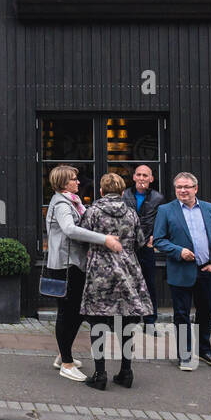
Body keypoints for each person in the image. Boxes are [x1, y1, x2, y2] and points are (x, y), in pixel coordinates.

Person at [45, 164, 122, 382]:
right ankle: (66, 363)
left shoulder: (73, 202)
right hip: (65, 266)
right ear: (62, 183)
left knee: (77, 311)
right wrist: (104, 239)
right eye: (73, 179)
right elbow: (70, 230)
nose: (78, 182)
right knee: (66, 313)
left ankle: (63, 354)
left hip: (76, 265)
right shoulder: (61, 203)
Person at [79, 173, 152, 390]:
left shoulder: (93, 211)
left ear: (101, 191)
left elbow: (83, 237)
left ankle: (100, 374)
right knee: (127, 322)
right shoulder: (131, 213)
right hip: (128, 270)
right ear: (122, 192)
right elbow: (140, 241)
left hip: (100, 271)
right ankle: (126, 372)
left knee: (97, 321)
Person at [153, 171, 211, 370]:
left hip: (206, 271)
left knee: (205, 313)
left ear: (196, 188)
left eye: (186, 187)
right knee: (182, 315)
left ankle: (204, 351)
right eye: (179, 187)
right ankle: (185, 355)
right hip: (180, 271)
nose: (182, 190)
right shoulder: (166, 210)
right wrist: (179, 251)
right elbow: (159, 240)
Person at [123, 165, 165, 328]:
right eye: (139, 175)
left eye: (145, 175)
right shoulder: (124, 195)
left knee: (148, 285)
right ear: (133, 177)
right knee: (127, 282)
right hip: (127, 247)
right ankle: (128, 319)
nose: (141, 178)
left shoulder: (158, 198)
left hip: (147, 247)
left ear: (151, 179)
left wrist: (155, 237)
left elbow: (162, 220)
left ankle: (149, 321)